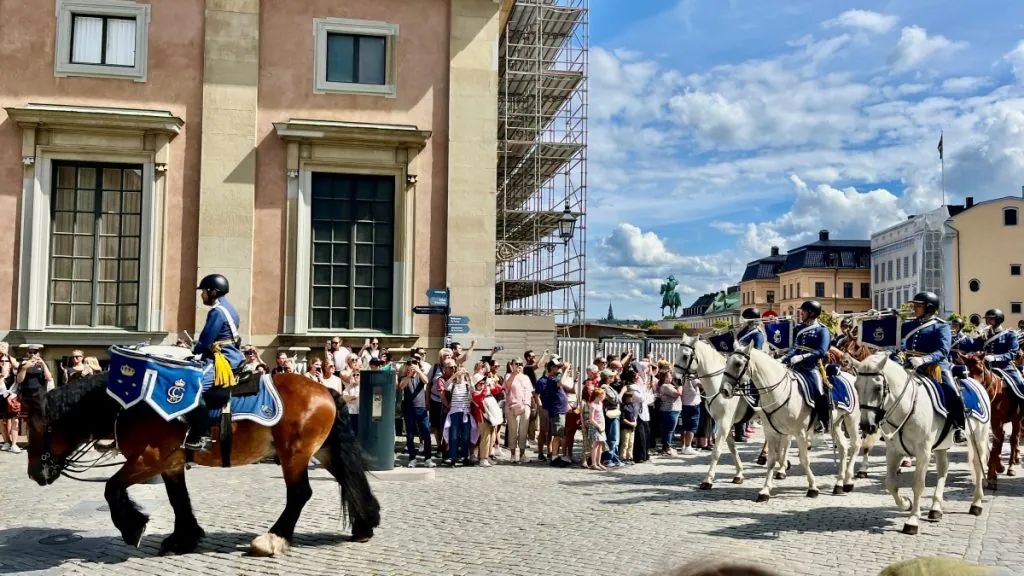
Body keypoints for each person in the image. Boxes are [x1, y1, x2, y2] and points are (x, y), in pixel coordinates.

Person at [182, 274, 245, 451]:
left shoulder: (217, 312)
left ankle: (202, 435)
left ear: (213, 292)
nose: (201, 295)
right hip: (228, 355)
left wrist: (193, 350)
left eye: (203, 291)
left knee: (192, 388)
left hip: (222, 359)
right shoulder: (230, 308)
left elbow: (205, 341)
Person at [900, 292, 964, 433]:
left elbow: (942, 351)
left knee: (951, 392)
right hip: (910, 365)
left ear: (929, 308)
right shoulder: (910, 325)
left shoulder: (941, 326)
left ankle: (959, 426)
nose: (914, 308)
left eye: (918, 306)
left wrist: (923, 359)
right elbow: (890, 334)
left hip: (934, 368)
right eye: (914, 305)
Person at [780, 300, 831, 431]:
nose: (801, 313)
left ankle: (823, 420)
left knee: (819, 391)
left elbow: (821, 351)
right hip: (795, 367)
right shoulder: (800, 328)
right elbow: (795, 349)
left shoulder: (822, 331)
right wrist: (782, 359)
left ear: (812, 313)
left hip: (810, 367)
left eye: (803, 311)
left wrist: (802, 357)